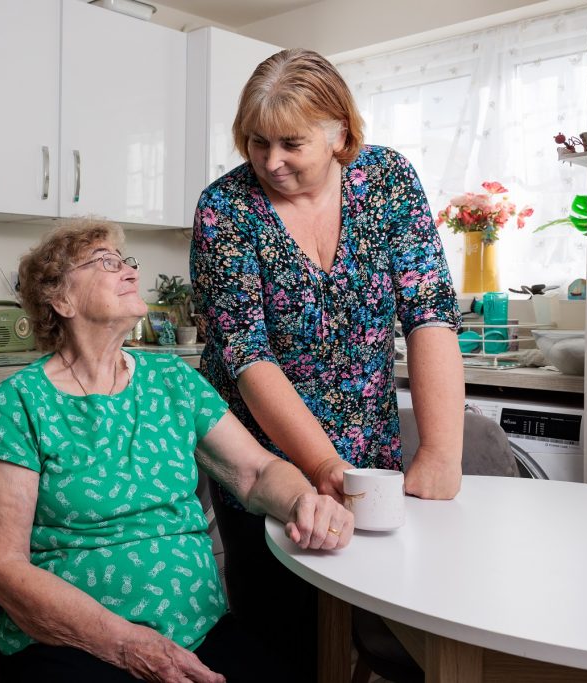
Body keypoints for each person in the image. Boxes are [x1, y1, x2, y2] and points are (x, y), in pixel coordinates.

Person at [0, 217, 354, 683]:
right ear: (61, 299)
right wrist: (126, 644)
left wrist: (301, 500)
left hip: (199, 626)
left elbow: (255, 472)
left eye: (127, 261)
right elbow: (1, 563)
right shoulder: (20, 401)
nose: (131, 272)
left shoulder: (172, 381)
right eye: (106, 263)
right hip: (76, 642)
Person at [189, 48, 465, 679]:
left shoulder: (388, 181)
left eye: (292, 143)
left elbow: (429, 315)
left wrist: (442, 453)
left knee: (386, 629)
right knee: (285, 640)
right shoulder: (224, 209)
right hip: (267, 460)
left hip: (371, 456)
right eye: (257, 142)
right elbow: (247, 357)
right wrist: (319, 468)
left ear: (340, 132)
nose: (271, 162)